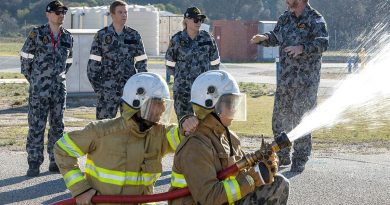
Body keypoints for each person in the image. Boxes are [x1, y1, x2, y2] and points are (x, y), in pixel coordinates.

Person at [54, 72, 198, 205]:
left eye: (164, 104)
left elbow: (182, 135)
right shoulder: (101, 132)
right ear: (139, 104)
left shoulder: (159, 134)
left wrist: (187, 123)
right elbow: (63, 149)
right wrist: (81, 190)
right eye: (158, 103)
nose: (162, 109)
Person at [169, 70, 289, 205]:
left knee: (278, 184)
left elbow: (241, 171)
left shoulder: (229, 137)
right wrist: (251, 179)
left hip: (223, 201)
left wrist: (265, 167)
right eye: (231, 103)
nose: (235, 109)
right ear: (213, 106)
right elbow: (209, 198)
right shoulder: (195, 147)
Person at [250, 0, 329, 172]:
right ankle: (282, 155)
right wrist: (265, 38)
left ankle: (299, 159)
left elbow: (323, 43)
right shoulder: (285, 18)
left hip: (305, 83)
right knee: (279, 119)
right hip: (286, 81)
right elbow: (277, 36)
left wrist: (302, 47)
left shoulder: (315, 19)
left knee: (301, 119)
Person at [20, 0, 73, 177]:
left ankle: (55, 161)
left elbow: (68, 63)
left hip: (59, 89)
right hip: (39, 89)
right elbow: (25, 59)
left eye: (63, 12)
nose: (61, 15)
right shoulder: (37, 34)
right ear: (48, 14)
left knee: (58, 126)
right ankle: (34, 163)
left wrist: (58, 78)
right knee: (36, 125)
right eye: (58, 12)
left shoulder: (67, 37)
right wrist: (35, 79)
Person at [87, 0, 148, 120]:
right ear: (112, 14)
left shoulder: (134, 35)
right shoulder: (102, 36)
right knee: (104, 129)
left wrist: (141, 85)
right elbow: (93, 65)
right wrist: (100, 89)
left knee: (132, 127)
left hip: (129, 90)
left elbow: (142, 63)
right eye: (120, 12)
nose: (124, 15)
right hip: (107, 91)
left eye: (126, 12)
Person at [165, 7, 220, 123]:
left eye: (201, 20)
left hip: (203, 90)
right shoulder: (177, 40)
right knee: (184, 123)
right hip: (182, 91)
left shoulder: (207, 38)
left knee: (205, 123)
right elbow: (169, 64)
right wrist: (180, 79)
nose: (199, 23)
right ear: (186, 20)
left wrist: (211, 81)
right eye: (196, 20)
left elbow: (215, 62)